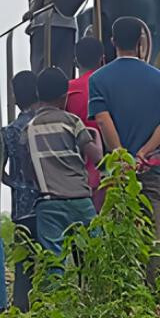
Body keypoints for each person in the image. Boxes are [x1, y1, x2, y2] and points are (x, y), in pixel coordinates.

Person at [88, 17, 160, 237]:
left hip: (117, 173)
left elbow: (102, 120)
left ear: (113, 41)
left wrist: (121, 157)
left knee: (119, 238)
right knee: (154, 238)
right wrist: (142, 154)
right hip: (151, 167)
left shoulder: (98, 79)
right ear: (140, 41)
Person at [27, 68, 100, 255]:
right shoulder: (72, 122)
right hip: (80, 201)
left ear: (37, 94)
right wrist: (96, 137)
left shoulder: (29, 129)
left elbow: (28, 169)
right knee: (96, 255)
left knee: (53, 263)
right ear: (64, 97)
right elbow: (97, 156)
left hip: (48, 201)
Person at [2, 70, 40, 310]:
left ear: (16, 97)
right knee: (50, 258)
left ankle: (21, 309)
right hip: (48, 202)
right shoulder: (46, 123)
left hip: (21, 206)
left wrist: (14, 182)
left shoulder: (9, 132)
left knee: (23, 262)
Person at [19, 0, 76, 78]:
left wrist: (33, 10)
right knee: (66, 70)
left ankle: (41, 95)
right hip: (66, 25)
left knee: (40, 67)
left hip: (47, 25)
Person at [66, 36, 104, 206]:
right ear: (102, 59)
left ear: (75, 62)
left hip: (78, 172)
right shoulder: (109, 86)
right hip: (111, 165)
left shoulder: (66, 91)